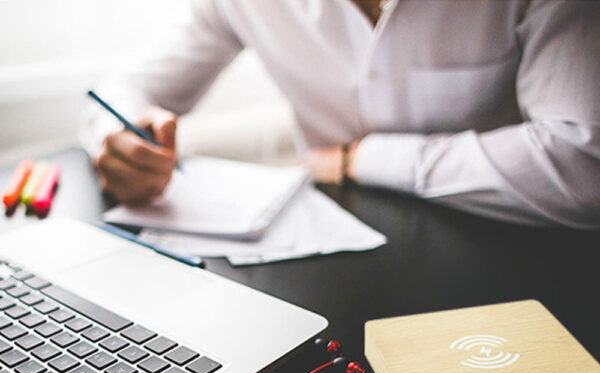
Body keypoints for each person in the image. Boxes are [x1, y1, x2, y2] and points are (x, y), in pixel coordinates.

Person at [82, 0, 600, 228]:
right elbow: (124, 90)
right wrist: (117, 139)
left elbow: (582, 159)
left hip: (506, 245)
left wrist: (360, 159)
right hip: (327, 249)